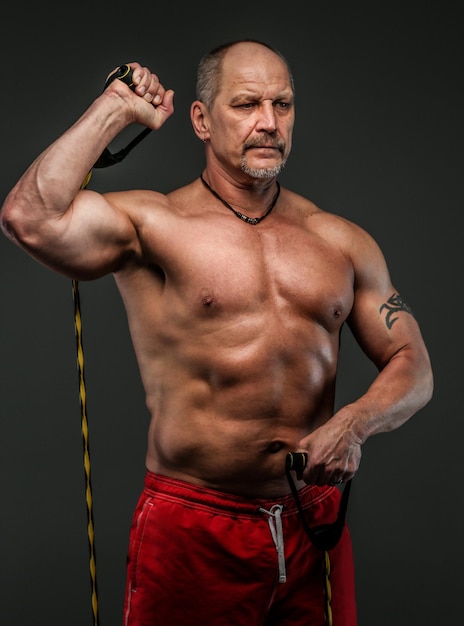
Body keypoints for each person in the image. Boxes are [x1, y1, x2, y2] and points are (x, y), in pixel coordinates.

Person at [0, 40, 433, 626]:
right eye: (247, 104)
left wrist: (354, 424)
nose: (268, 122)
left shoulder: (340, 241)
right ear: (201, 120)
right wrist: (116, 108)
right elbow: (30, 217)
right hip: (192, 527)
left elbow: (414, 362)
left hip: (314, 523)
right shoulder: (155, 223)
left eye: (283, 105)